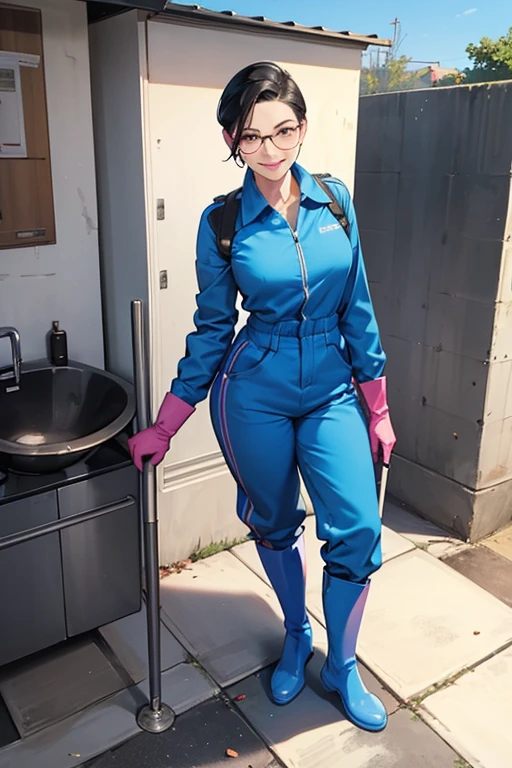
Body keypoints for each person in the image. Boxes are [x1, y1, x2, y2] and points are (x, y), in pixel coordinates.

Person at [128, 61, 396, 732]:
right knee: (274, 522)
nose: (270, 150)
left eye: (283, 132)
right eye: (252, 137)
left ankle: (342, 664)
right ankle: (297, 638)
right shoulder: (222, 222)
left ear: (302, 129)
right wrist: (167, 422)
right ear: (233, 140)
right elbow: (213, 329)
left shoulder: (336, 202)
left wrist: (379, 406)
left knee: (358, 529)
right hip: (255, 390)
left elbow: (358, 306)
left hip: (333, 385)